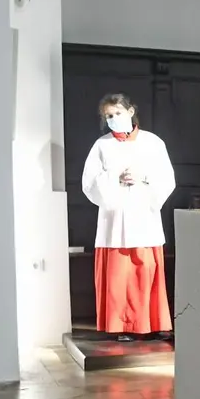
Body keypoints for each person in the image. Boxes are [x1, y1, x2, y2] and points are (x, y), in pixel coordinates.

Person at [81, 93, 176, 339]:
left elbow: (166, 178)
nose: (113, 119)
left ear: (131, 111)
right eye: (109, 116)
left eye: (118, 113)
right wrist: (115, 178)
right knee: (119, 275)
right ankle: (123, 326)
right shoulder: (101, 145)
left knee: (147, 270)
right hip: (115, 221)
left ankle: (153, 323)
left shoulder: (153, 142)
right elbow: (89, 183)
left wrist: (143, 178)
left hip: (143, 217)